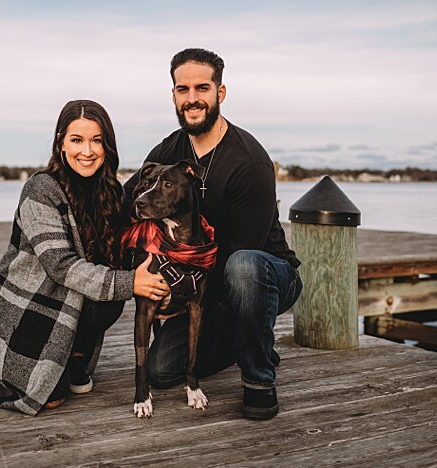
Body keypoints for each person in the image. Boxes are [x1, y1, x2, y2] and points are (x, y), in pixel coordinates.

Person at [122, 48, 302, 420]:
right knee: (161, 371)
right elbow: (129, 205)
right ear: (173, 95)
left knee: (243, 268)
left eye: (202, 88)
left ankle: (258, 378)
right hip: (195, 280)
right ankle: (245, 341)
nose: (192, 98)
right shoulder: (168, 150)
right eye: (182, 89)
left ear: (219, 93)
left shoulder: (248, 162)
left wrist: (179, 296)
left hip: (263, 276)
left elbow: (240, 254)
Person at [0, 99, 168, 414]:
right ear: (61, 144)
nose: (87, 151)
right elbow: (61, 267)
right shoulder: (41, 189)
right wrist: (133, 282)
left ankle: (76, 360)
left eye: (96, 140)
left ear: (108, 146)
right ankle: (45, 368)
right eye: (76, 140)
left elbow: (136, 242)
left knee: (112, 291)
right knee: (50, 396)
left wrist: (165, 285)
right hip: (29, 305)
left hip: (73, 302)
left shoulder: (112, 194)